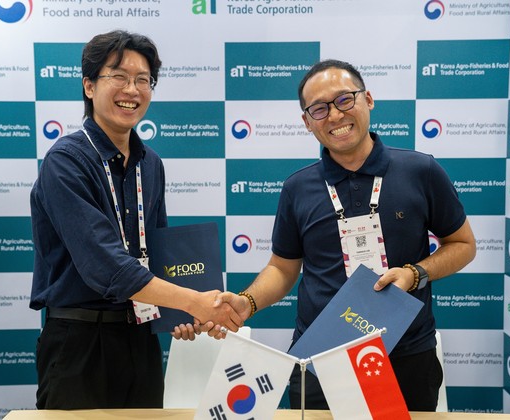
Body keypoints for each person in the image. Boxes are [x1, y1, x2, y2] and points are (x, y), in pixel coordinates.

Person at [212, 59, 476, 411]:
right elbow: (282, 268)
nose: (335, 115)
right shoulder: (297, 188)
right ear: (307, 122)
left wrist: (415, 274)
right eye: (319, 109)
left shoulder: (421, 170)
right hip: (322, 358)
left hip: (406, 356)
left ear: (368, 99)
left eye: (344, 99)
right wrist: (248, 301)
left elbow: (463, 245)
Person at [29, 30, 241, 410]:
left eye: (143, 80)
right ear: (89, 86)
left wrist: (178, 314)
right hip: (80, 344)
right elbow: (107, 266)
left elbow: (159, 253)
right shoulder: (66, 162)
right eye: (119, 76)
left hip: (141, 339)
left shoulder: (151, 163)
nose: (132, 90)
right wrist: (196, 302)